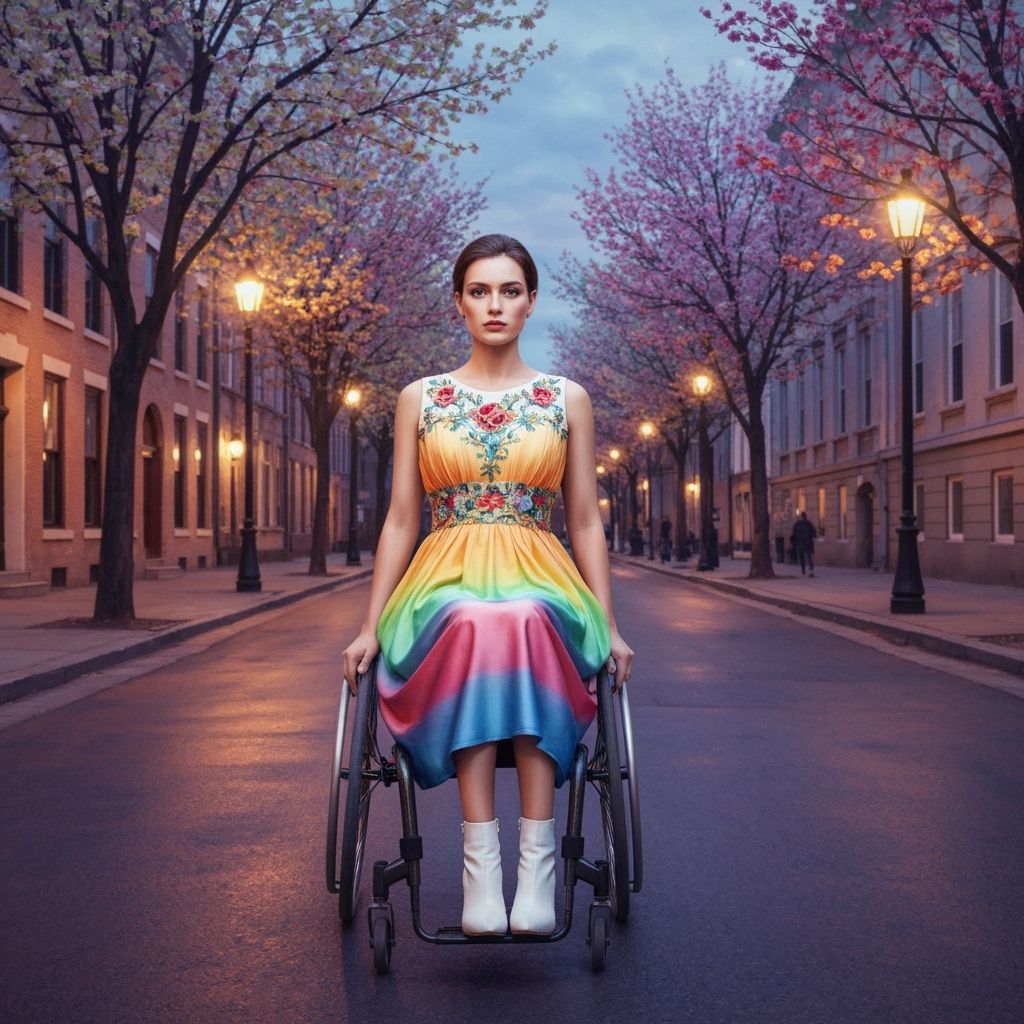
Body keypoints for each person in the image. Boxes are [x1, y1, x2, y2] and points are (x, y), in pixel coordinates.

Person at [342, 234, 633, 938]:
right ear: (459, 303)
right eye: (479, 291)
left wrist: (610, 624)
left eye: (509, 291)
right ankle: (481, 870)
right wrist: (369, 624)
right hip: (444, 574)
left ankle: (537, 869)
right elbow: (401, 518)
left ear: (531, 302)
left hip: (542, 572)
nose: (495, 305)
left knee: (525, 616)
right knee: (473, 618)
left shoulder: (567, 398)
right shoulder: (421, 398)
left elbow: (584, 520)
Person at [791, 510, 817, 576]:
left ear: (801, 517)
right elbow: (813, 531)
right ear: (805, 516)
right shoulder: (808, 523)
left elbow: (794, 534)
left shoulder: (797, 524)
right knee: (808, 556)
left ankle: (803, 570)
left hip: (800, 543)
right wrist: (814, 537)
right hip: (807, 543)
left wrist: (794, 542)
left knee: (802, 557)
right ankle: (810, 569)